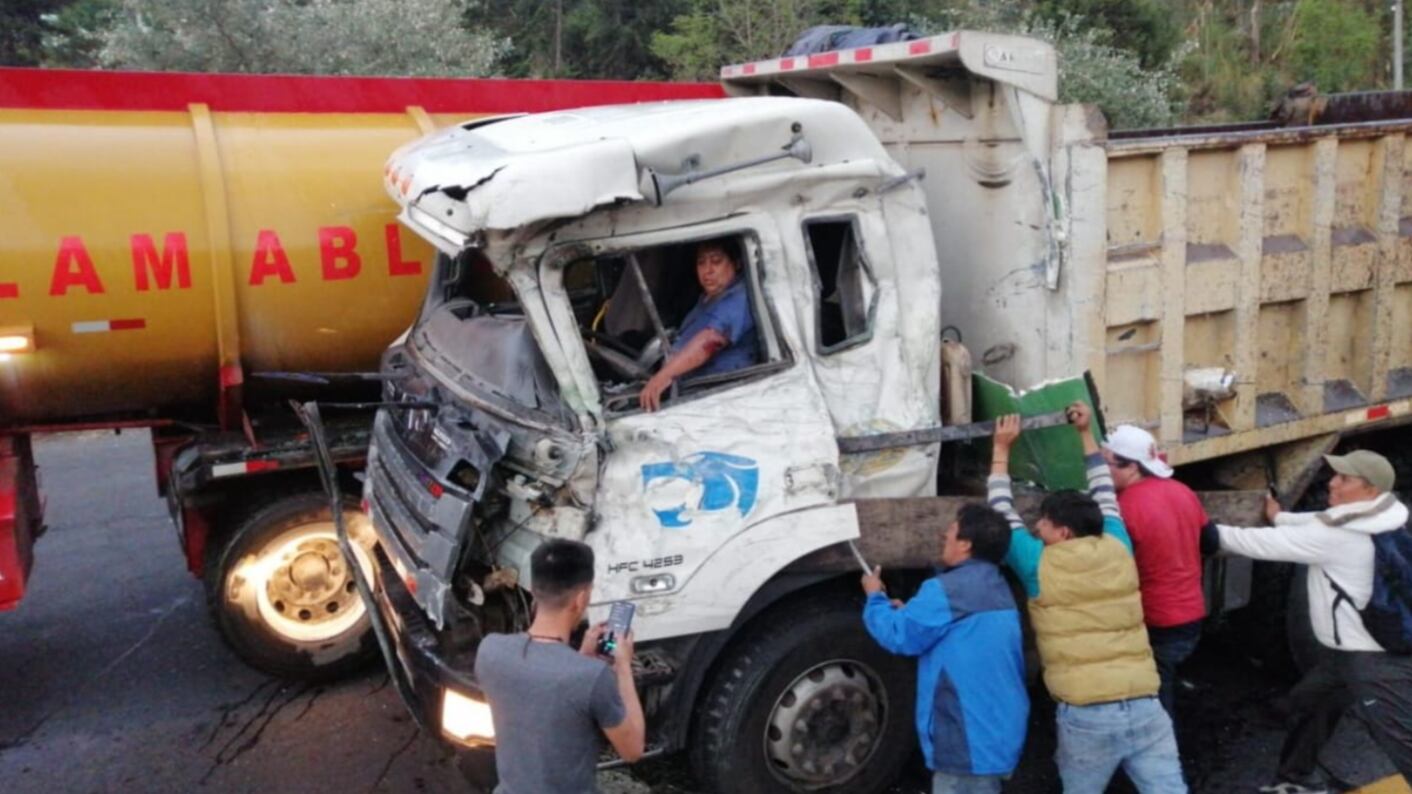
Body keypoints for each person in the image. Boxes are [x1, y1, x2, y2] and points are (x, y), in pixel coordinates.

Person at [989, 403, 1187, 794]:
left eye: (1043, 522)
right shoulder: (1118, 543)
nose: (1036, 526)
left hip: (1087, 716)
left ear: (1063, 532)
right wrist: (1084, 434)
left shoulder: (1037, 565)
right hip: (1147, 705)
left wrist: (1001, 449)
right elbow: (1103, 489)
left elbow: (1000, 509)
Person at [1213, 450, 1412, 794]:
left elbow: (1254, 543)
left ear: (1369, 490)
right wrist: (1282, 518)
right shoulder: (1384, 514)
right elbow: (1323, 519)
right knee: (1311, 705)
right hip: (1345, 652)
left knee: (1400, 738)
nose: (1332, 482)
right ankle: (1297, 777)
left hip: (1372, 662)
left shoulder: (1338, 538)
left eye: (1344, 479)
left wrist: (1200, 529)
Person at [859, 503, 1030, 794]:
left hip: (966, 738)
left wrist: (874, 597)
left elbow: (899, 635)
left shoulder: (946, 590)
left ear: (965, 545)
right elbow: (951, 625)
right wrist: (910, 611)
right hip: (999, 729)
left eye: (950, 532)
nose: (944, 536)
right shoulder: (997, 587)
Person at [474, 539, 645, 793]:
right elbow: (632, 750)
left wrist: (580, 656)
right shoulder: (592, 677)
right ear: (581, 598)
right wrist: (623, 668)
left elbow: (542, 693)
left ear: (534, 590)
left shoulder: (489, 650)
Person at [1102, 424, 1213, 721]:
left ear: (1131, 467)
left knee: (1154, 705)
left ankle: (1164, 762)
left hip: (1155, 622)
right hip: (1191, 618)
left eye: (1106, 463)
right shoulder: (1183, 491)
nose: (1102, 471)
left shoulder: (1122, 509)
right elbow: (1211, 542)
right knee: (1160, 688)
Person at [639, 239, 759, 411]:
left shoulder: (739, 297)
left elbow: (710, 339)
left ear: (737, 263)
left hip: (720, 396)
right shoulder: (707, 298)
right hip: (688, 390)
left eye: (716, 261)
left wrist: (663, 376)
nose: (707, 270)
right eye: (701, 263)